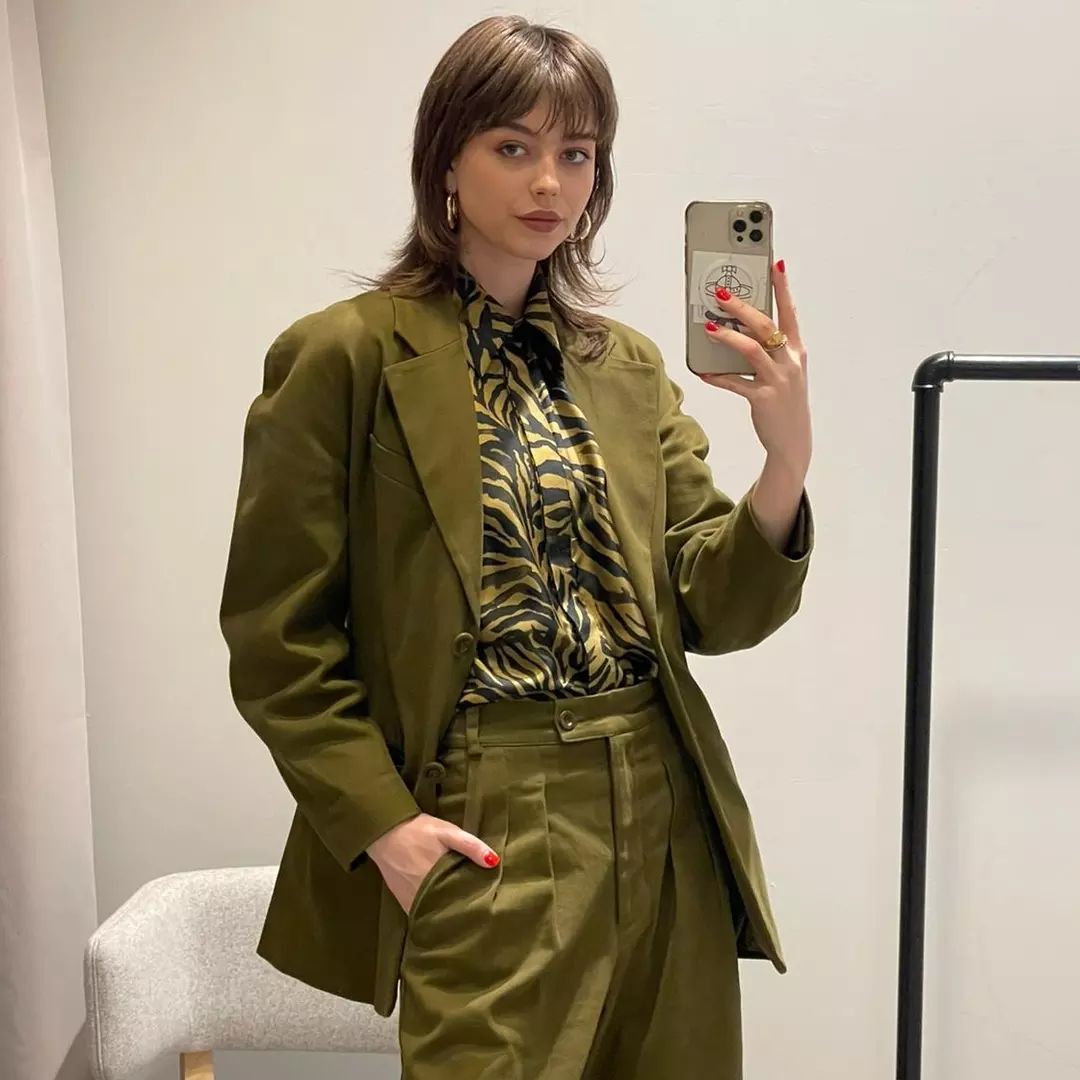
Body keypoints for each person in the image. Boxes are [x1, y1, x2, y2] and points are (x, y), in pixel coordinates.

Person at [218, 13, 814, 1079]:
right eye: (513, 146)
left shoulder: (623, 366)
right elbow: (277, 639)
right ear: (445, 160)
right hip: (491, 807)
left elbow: (711, 605)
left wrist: (784, 459)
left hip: (661, 801)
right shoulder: (344, 358)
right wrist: (386, 827)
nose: (550, 182)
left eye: (577, 153)